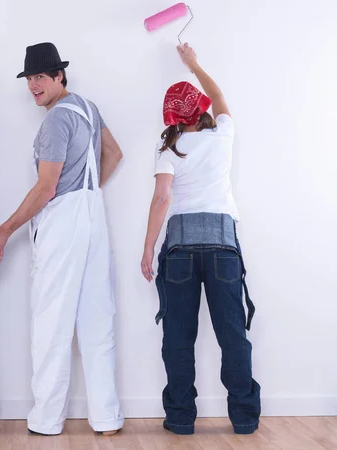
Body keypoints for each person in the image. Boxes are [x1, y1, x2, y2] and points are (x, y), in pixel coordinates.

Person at [0, 42, 124, 436]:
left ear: (60, 75)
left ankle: (46, 419)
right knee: (97, 319)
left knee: (50, 321)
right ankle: (106, 418)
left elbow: (46, 187)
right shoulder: (88, 108)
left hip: (63, 221)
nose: (33, 86)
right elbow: (113, 153)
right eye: (29, 78)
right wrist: (87, 189)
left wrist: (5, 230)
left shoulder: (57, 120)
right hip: (94, 216)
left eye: (40, 77)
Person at [140, 43, 261, 435]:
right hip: (224, 248)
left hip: (178, 252)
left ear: (172, 116)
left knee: (178, 337)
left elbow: (161, 199)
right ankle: (244, 419)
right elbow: (221, 96)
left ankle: (179, 419)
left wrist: (146, 250)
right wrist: (194, 65)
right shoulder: (223, 134)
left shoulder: (170, 149)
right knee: (232, 335)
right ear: (201, 110)